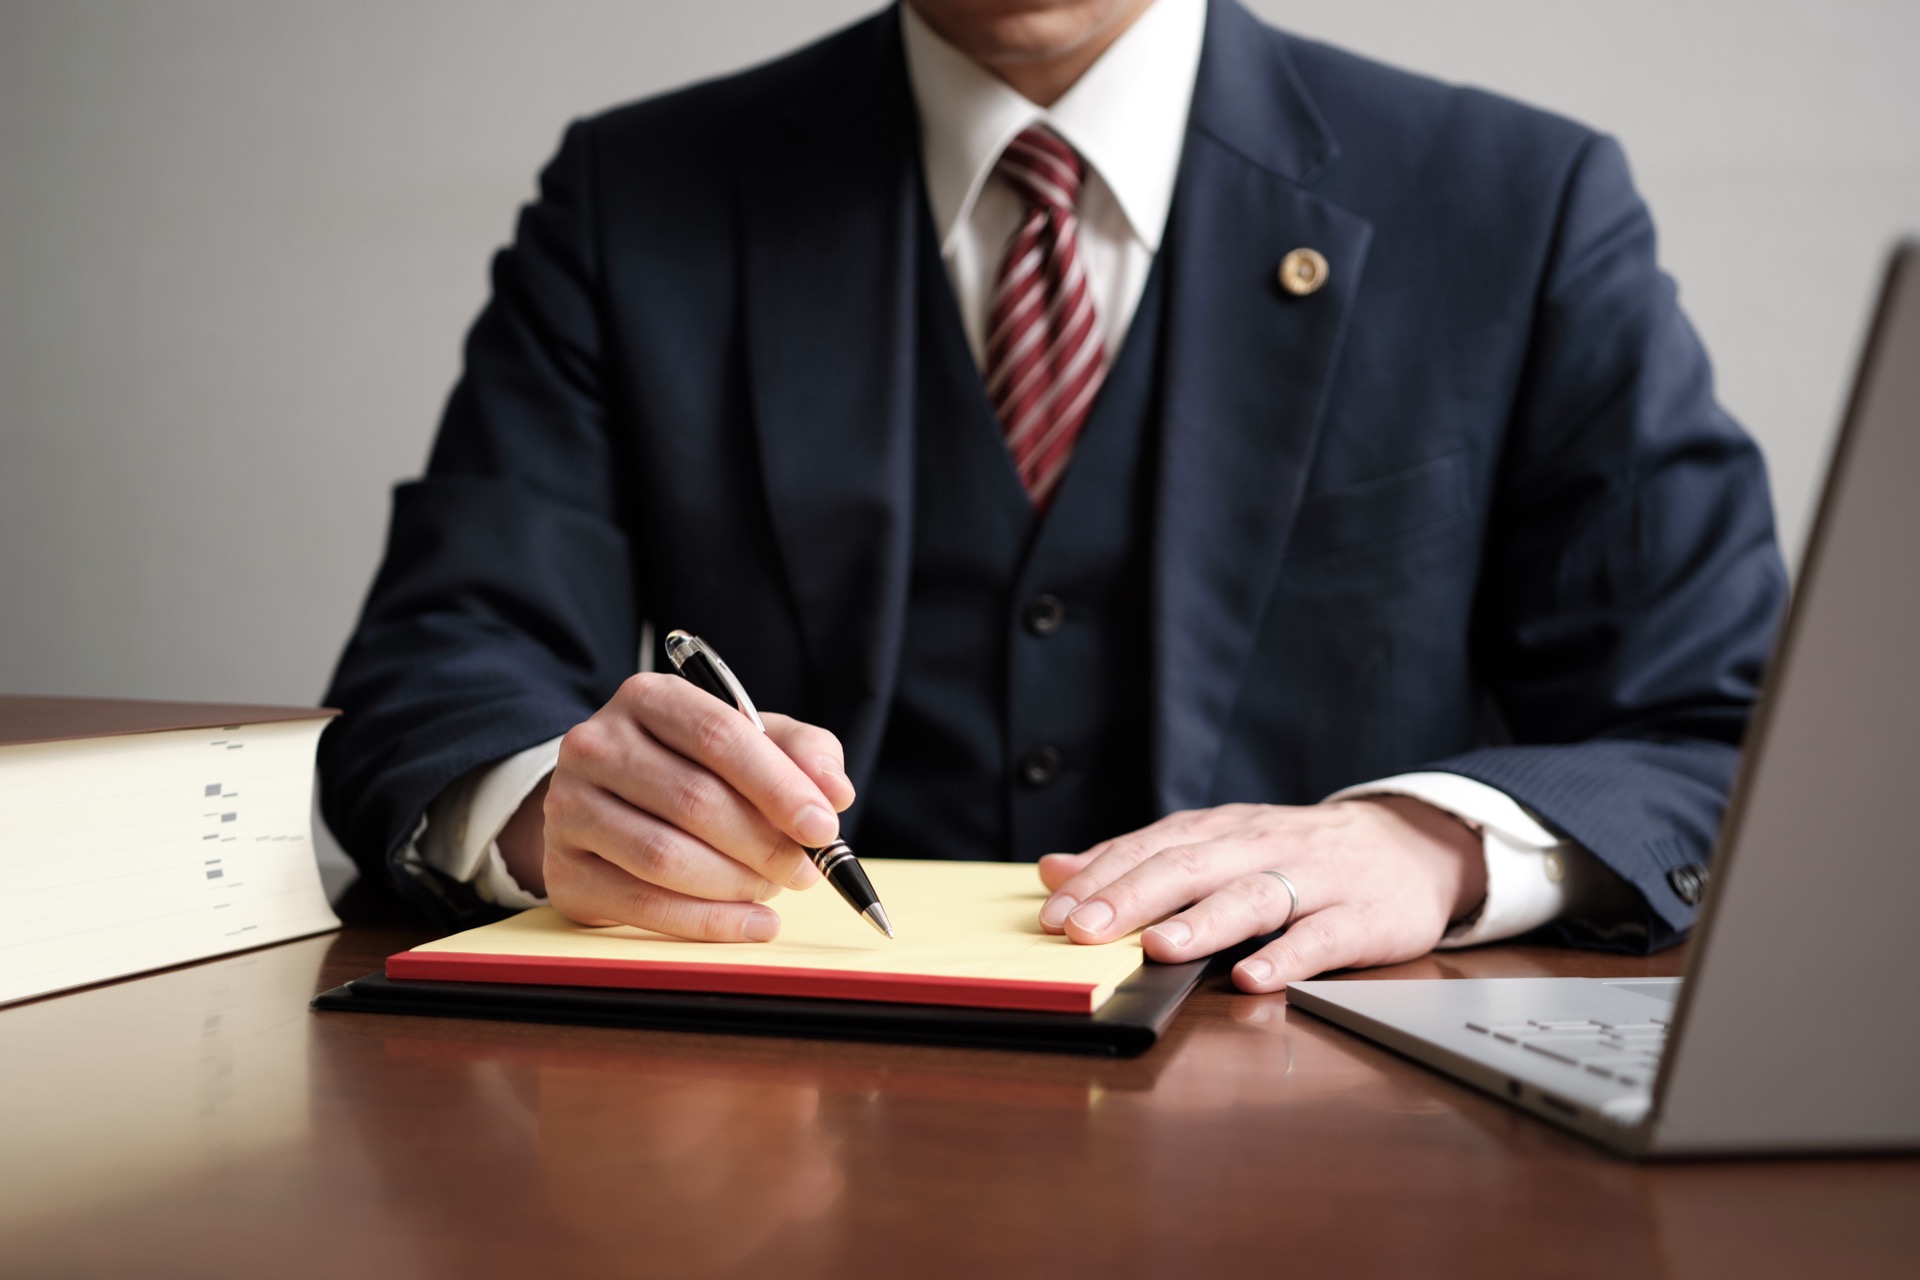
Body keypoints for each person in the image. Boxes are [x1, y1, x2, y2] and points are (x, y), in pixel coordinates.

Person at [320, 0, 1786, 991]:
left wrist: (1438, 844)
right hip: (760, 1107)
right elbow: (438, 668)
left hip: (1333, 1127)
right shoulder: (633, 196)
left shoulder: (1519, 204)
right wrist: (542, 817)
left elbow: (1732, 737)